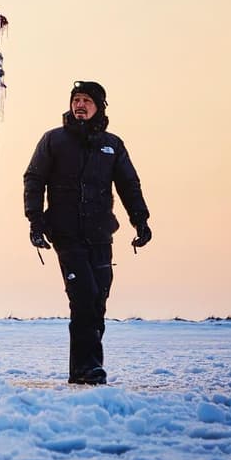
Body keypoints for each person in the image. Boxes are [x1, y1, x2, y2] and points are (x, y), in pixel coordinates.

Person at [23, 81, 152, 385]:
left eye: (86, 101)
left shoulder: (112, 144)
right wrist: (36, 222)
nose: (80, 105)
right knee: (83, 296)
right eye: (76, 100)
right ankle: (89, 367)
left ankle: (83, 369)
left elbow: (128, 185)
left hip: (100, 234)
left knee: (98, 300)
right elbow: (34, 179)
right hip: (66, 233)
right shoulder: (53, 140)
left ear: (99, 107)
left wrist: (141, 220)